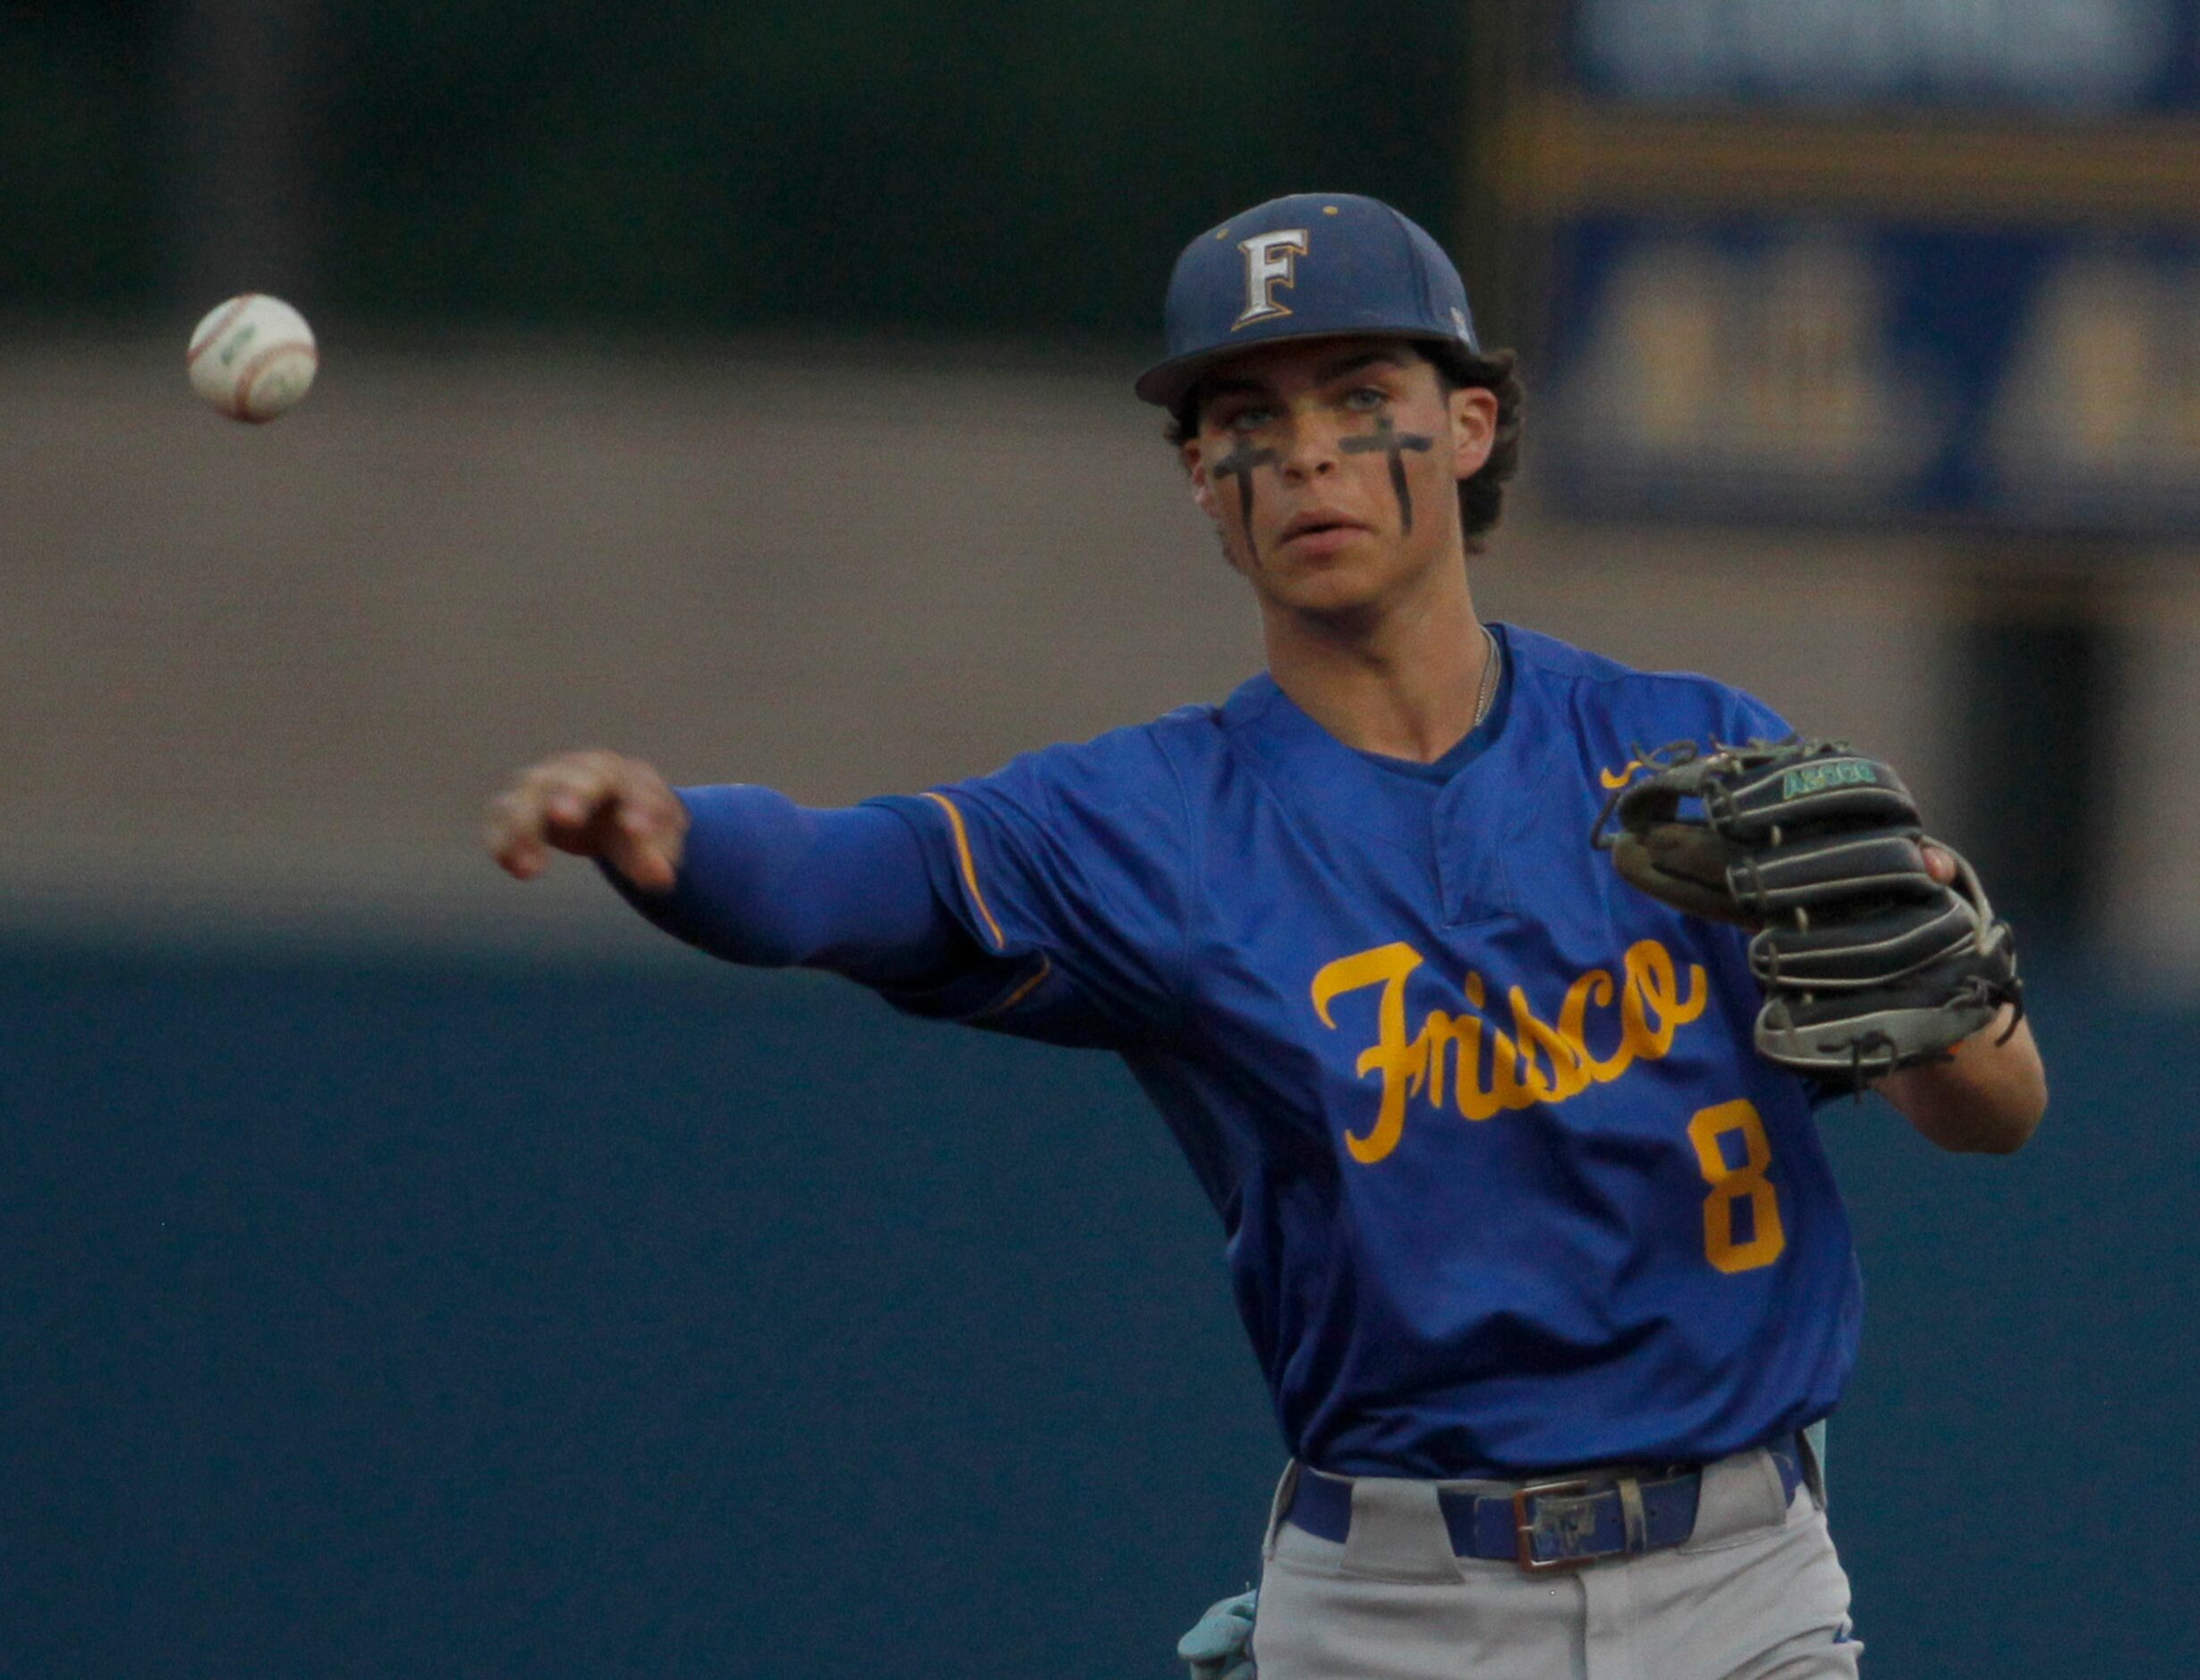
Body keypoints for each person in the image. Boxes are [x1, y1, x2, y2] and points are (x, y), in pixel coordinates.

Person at [485, 192, 2046, 1678]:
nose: (1309, 456)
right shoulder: (1150, 822)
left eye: (1358, 393)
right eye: (1248, 424)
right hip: (1392, 1602)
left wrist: (1954, 994)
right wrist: (677, 843)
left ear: (1471, 424)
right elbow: (863, 872)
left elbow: (1992, 1115)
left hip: (1740, 1579)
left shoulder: (1691, 754)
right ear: (1199, 482)